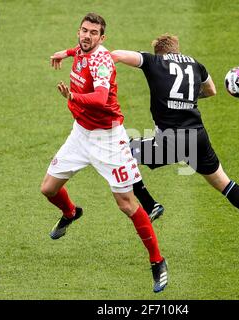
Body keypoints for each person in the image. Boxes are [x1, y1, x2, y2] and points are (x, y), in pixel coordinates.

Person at [110, 34, 239, 249]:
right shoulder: (195, 64)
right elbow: (211, 90)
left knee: (119, 151)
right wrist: (188, 97)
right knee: (225, 184)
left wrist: (97, 60)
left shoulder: (154, 61)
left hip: (172, 141)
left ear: (160, 52)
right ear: (177, 50)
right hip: (198, 137)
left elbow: (117, 55)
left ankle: (150, 204)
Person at [40, 13, 168, 293]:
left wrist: (72, 97)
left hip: (108, 140)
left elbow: (99, 98)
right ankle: (71, 213)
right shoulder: (82, 50)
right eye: (83, 30)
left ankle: (157, 261)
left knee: (127, 204)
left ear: (102, 38)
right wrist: (65, 52)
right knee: (48, 188)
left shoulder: (102, 61)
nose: (86, 36)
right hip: (80, 135)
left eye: (93, 33)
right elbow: (79, 51)